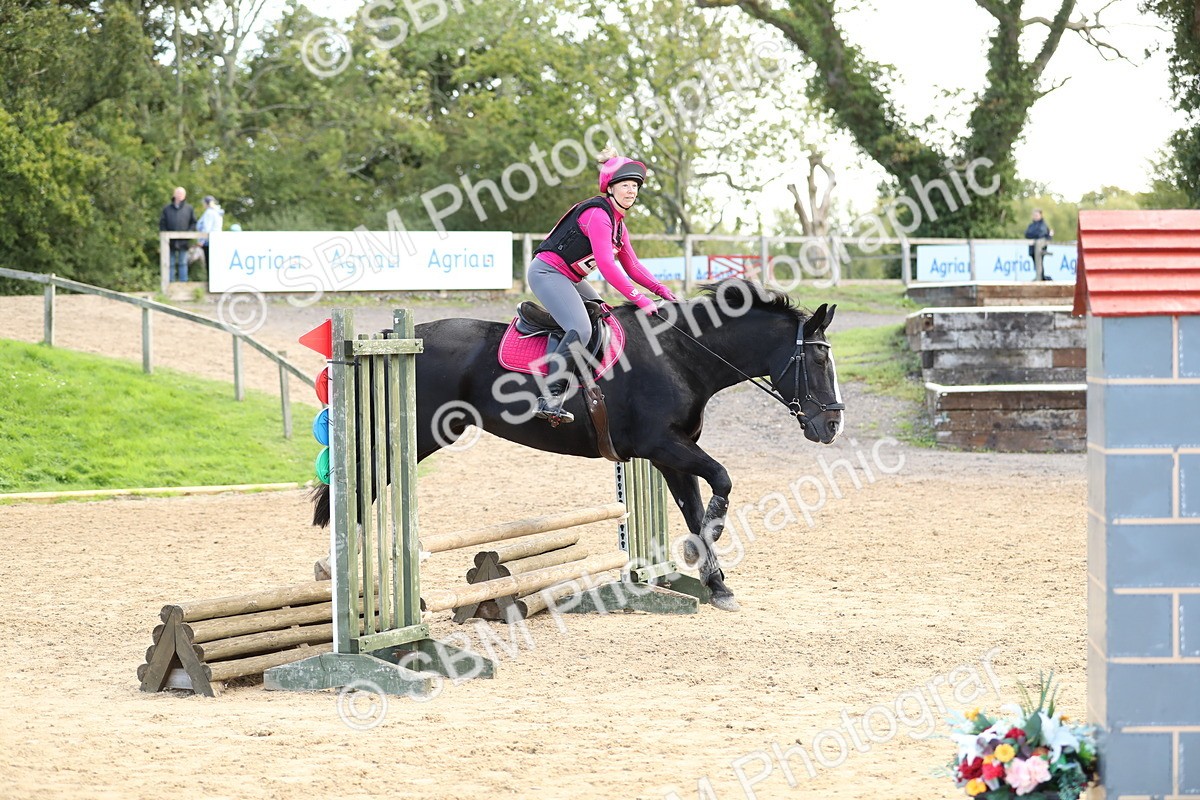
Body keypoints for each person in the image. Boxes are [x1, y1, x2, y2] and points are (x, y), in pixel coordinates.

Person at [528, 146, 676, 424]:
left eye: (635, 186)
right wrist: (640, 299)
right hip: (547, 273)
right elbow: (608, 266)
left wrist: (660, 289)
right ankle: (550, 397)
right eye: (625, 185)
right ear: (611, 188)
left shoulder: (619, 225)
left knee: (605, 314)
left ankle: (587, 378)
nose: (631, 191)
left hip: (570, 278)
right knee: (581, 328)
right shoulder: (599, 215)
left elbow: (632, 265)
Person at [159, 187, 197, 282]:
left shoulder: (189, 208)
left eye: (181, 194)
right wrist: (165, 235)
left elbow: (193, 223)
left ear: (184, 196)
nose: (179, 195)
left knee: (183, 263)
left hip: (183, 241)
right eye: (178, 193)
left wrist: (188, 234)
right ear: (174, 194)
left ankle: (183, 283)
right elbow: (162, 223)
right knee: (170, 263)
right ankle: (170, 282)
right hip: (169, 241)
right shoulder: (167, 209)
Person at [196, 195, 224, 274]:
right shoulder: (217, 212)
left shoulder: (209, 212)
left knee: (209, 265)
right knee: (215, 264)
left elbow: (207, 228)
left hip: (208, 241)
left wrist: (201, 240)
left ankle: (211, 285)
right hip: (216, 240)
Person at [1025, 209, 1053, 280]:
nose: (1035, 217)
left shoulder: (1043, 225)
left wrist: (1033, 234)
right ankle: (1040, 278)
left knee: (1039, 264)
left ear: (1040, 215)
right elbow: (1027, 234)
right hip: (1032, 249)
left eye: (1036, 215)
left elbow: (1041, 234)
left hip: (1040, 248)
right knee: (1036, 265)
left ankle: (1041, 278)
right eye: (1034, 215)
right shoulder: (1031, 225)